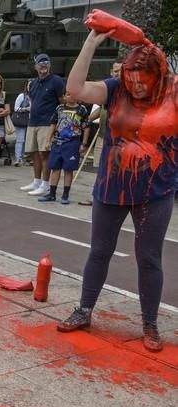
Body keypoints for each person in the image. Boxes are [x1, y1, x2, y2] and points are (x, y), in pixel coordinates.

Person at [57, 29, 177, 352]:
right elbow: (76, 89)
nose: (135, 86)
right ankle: (84, 309)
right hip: (112, 186)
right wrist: (90, 44)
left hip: (156, 190)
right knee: (99, 250)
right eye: (131, 78)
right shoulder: (115, 89)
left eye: (143, 81)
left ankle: (149, 323)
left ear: (159, 76)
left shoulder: (174, 94)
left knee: (149, 257)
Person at [20, 53, 65, 196]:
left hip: (47, 123)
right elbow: (32, 101)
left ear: (50, 65)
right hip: (33, 122)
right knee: (34, 153)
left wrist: (58, 123)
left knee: (44, 153)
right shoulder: (32, 83)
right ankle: (36, 181)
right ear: (36, 66)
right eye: (40, 63)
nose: (43, 65)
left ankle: (45, 184)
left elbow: (62, 101)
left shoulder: (56, 81)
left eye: (46, 62)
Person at [79, 62, 123, 206]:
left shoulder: (126, 91)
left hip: (119, 141)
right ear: (111, 72)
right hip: (103, 135)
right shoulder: (108, 89)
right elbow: (100, 109)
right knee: (100, 168)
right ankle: (98, 196)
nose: (117, 73)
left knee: (117, 170)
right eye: (115, 71)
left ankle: (116, 197)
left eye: (120, 70)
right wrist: (86, 120)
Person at [37, 91, 89, 204]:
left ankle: (65, 194)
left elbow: (86, 127)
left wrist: (84, 143)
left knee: (68, 169)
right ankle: (52, 193)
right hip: (58, 142)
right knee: (55, 167)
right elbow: (53, 124)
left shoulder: (82, 110)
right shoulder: (59, 108)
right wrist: (48, 140)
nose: (72, 96)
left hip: (72, 142)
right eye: (69, 94)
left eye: (74, 94)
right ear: (64, 97)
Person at [13, 81, 31, 166]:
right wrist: (25, 109)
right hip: (22, 120)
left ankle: (24, 157)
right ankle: (18, 158)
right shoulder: (22, 96)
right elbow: (16, 108)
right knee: (20, 140)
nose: (30, 87)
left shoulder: (36, 96)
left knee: (27, 140)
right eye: (29, 85)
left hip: (32, 121)